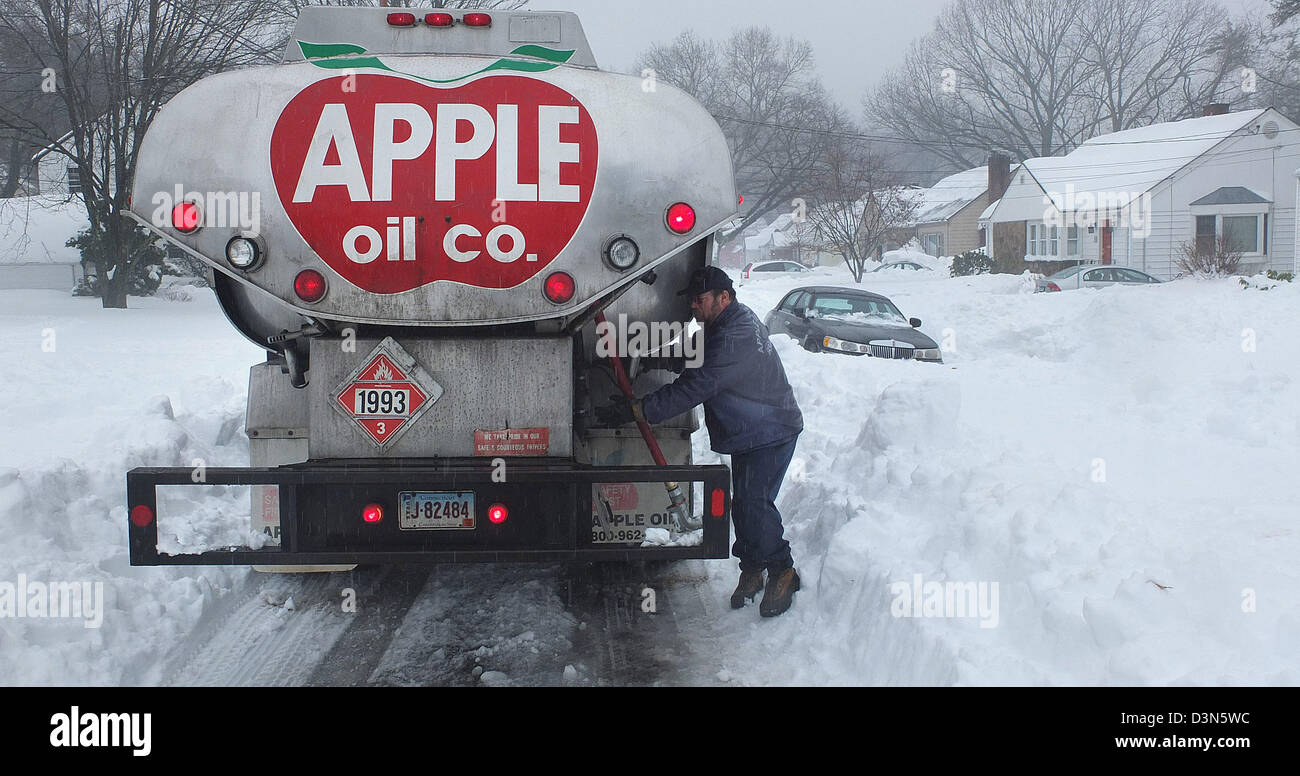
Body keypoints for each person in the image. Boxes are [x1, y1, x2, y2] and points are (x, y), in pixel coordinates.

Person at [596, 266, 805, 617]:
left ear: (724, 297)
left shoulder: (734, 334)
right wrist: (660, 358)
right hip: (753, 430)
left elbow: (699, 384)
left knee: (755, 502)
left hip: (771, 431)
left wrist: (640, 409)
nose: (694, 306)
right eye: (692, 299)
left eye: (701, 299)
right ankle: (752, 568)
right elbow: (700, 356)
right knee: (746, 504)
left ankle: (783, 569)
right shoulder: (726, 322)